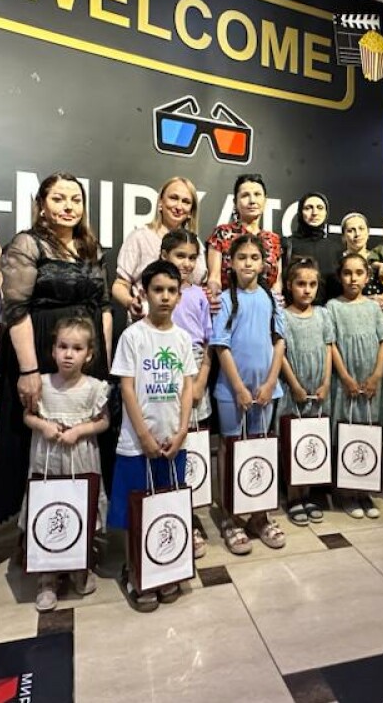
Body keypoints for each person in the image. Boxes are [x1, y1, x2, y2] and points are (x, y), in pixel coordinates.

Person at [0, 173, 112, 527]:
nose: (68, 206)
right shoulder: (27, 244)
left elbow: (104, 307)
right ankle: (37, 533)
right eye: (59, 198)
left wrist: (103, 365)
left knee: (86, 443)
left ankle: (83, 529)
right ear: (41, 205)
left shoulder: (92, 248)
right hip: (42, 352)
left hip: (88, 356)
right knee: (38, 443)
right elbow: (15, 309)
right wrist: (29, 371)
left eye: (75, 199)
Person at [108, 260, 196, 612]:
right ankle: (136, 571)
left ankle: (164, 568)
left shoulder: (183, 338)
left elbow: (187, 388)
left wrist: (182, 430)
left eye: (171, 290)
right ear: (144, 293)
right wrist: (144, 435)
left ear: (179, 295)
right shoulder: (133, 336)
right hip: (137, 443)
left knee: (166, 505)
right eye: (158, 290)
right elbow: (127, 389)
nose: (165, 297)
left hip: (173, 442)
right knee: (137, 510)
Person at [22, 317, 110, 612]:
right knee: (49, 510)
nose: (69, 354)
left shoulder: (94, 387)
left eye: (77, 348)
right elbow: (27, 416)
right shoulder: (43, 384)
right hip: (47, 461)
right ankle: (47, 577)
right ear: (53, 350)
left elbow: (103, 421)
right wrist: (43, 426)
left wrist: (80, 431)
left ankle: (79, 566)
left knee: (79, 510)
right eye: (63, 346)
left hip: (80, 460)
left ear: (89, 354)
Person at [212, 233, 289, 554]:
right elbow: (221, 346)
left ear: (263, 264)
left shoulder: (271, 299)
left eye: (254, 258)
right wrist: (239, 388)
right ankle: (230, 516)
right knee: (230, 449)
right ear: (230, 263)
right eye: (241, 257)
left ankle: (259, 515)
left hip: (265, 392)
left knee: (259, 450)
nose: (247, 263)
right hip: (232, 392)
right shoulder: (226, 300)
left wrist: (270, 382)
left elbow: (279, 342)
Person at [160, 229, 214, 558]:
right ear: (164, 256)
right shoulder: (154, 291)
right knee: (167, 436)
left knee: (191, 441)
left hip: (194, 366)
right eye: (180, 256)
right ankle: (167, 507)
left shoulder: (198, 295)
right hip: (163, 366)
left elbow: (208, 343)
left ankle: (190, 511)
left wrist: (201, 379)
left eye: (192, 257)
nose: (187, 263)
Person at [327, 251, 383, 519]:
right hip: (346, 381)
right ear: (339, 276)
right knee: (345, 429)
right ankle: (345, 492)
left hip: (372, 381)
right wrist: (345, 377)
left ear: (367, 277)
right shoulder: (332, 307)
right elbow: (331, 344)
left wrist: (376, 376)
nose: (353, 279)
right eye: (347, 273)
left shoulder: (373, 307)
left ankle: (364, 488)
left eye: (359, 273)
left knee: (368, 429)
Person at [279, 257, 335, 526]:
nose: (307, 290)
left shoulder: (323, 314)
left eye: (312, 285)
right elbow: (281, 354)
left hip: (318, 387)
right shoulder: (283, 316)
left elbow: (328, 348)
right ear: (290, 285)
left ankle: (308, 492)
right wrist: (295, 385)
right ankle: (293, 496)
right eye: (301, 284)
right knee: (293, 440)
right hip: (295, 389)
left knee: (312, 440)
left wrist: (326, 382)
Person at [111, 177, 206, 321]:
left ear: (191, 211)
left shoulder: (196, 244)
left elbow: (199, 287)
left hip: (186, 328)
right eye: (173, 198)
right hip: (146, 324)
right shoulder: (140, 237)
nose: (179, 206)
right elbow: (120, 285)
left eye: (186, 201)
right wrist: (131, 303)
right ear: (160, 202)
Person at [205, 173, 284, 297]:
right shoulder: (222, 234)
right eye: (245, 195)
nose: (252, 201)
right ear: (235, 202)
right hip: (229, 303)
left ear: (265, 200)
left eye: (257, 194)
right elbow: (214, 278)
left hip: (265, 305)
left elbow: (277, 282)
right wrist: (215, 297)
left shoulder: (273, 239)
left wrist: (275, 301)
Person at [282, 192, 343, 304]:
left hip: (329, 312)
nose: (314, 213)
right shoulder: (288, 244)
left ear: (326, 213)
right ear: (300, 212)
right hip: (294, 311)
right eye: (308, 208)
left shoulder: (335, 248)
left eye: (320, 208)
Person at [340, 212, 383, 314]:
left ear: (368, 233)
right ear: (343, 236)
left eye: (361, 229)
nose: (357, 234)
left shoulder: (381, 259)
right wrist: (377, 300)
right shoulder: (338, 262)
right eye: (351, 230)